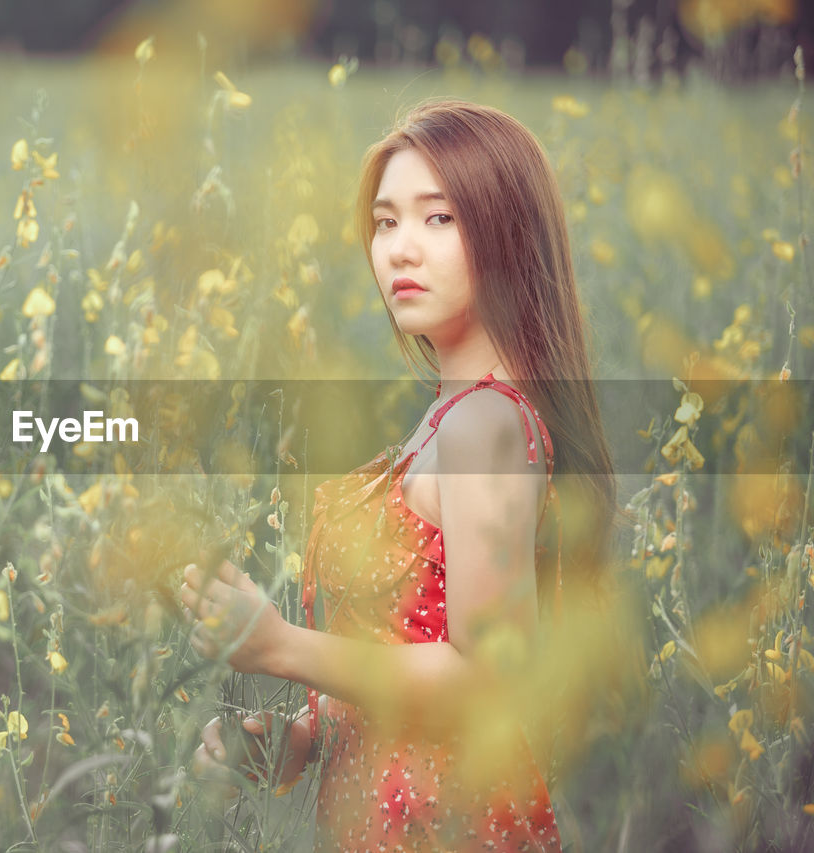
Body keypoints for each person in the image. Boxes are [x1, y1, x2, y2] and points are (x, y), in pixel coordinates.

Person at [180, 99, 616, 851]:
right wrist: (295, 741)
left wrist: (278, 645)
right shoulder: (449, 422)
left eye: (438, 218)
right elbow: (402, 649)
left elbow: (490, 676)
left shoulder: (488, 425)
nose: (400, 249)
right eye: (385, 222)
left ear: (509, 236)